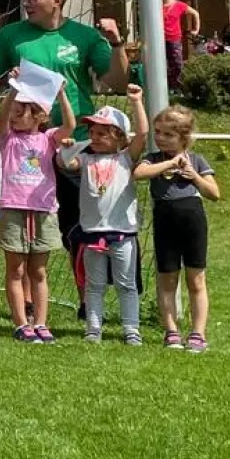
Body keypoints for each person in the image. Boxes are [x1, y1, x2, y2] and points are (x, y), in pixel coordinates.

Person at [0, 0, 128, 301]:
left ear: (57, 0)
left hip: (73, 144)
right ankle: (30, 305)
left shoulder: (84, 37)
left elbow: (117, 80)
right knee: (28, 222)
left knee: (80, 223)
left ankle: (88, 298)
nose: (27, 3)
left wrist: (116, 42)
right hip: (27, 145)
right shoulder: (11, 35)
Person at [57, 88, 149, 345]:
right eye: (92, 132)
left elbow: (142, 133)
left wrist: (136, 102)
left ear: (119, 137)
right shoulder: (85, 158)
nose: (94, 137)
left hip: (122, 235)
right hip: (91, 235)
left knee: (126, 285)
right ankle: (93, 328)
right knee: (93, 285)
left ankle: (131, 329)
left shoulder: (126, 159)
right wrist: (66, 148)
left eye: (102, 133)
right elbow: (66, 163)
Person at [0, 79, 76, 344]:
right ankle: (20, 323)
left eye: (21, 113)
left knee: (38, 271)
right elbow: (2, 117)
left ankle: (40, 322)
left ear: (39, 116)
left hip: (43, 209)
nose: (14, 118)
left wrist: (61, 94)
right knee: (15, 270)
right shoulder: (7, 139)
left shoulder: (48, 139)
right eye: (14, 113)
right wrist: (14, 90)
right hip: (13, 209)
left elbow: (70, 126)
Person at [135, 105, 218, 352]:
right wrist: (169, 163)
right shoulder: (154, 158)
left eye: (168, 135)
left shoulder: (197, 160)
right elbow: (139, 172)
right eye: (158, 132)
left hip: (193, 221)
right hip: (165, 221)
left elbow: (214, 193)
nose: (160, 138)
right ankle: (171, 331)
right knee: (167, 278)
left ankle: (198, 333)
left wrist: (194, 175)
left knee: (196, 279)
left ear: (184, 138)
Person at [161, 0, 200, 89]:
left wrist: (196, 30)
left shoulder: (179, 5)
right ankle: (165, 88)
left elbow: (195, 13)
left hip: (174, 39)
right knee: (161, 65)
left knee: (177, 64)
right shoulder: (156, 5)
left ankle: (178, 88)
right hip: (159, 40)